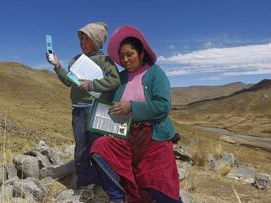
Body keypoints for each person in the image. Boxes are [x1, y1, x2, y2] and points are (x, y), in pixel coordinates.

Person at [90, 25, 181, 203]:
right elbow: (109, 103)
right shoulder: (121, 78)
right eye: (122, 56)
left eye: (129, 54)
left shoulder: (155, 73)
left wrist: (131, 107)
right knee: (100, 147)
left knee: (160, 182)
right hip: (126, 136)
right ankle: (117, 198)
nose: (125, 60)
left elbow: (163, 105)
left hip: (153, 138)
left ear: (141, 53)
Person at [46, 22, 121, 196]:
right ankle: (84, 183)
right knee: (80, 148)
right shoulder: (76, 60)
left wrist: (92, 84)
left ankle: (100, 182)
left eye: (86, 38)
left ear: (95, 41)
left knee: (97, 147)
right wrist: (57, 66)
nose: (82, 41)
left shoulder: (104, 60)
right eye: (81, 38)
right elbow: (68, 81)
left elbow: (114, 81)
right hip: (78, 110)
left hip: (95, 109)